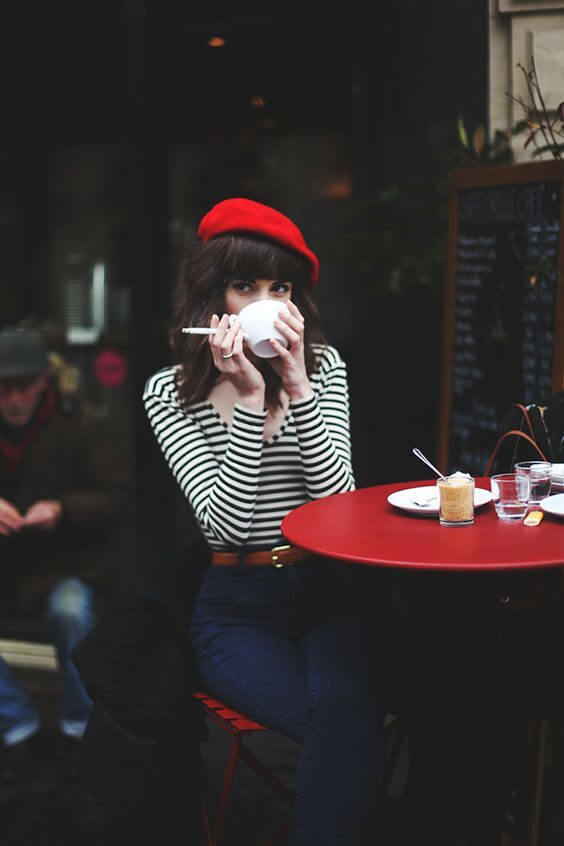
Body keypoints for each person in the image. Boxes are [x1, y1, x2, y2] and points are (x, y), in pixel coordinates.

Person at [143, 198, 392, 846]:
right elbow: (223, 526)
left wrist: (296, 384)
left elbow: (337, 501)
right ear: (211, 297)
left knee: (347, 715)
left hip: (326, 592)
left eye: (279, 287)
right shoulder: (171, 391)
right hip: (236, 605)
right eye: (243, 286)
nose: (265, 301)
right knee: (349, 728)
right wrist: (251, 401)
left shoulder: (323, 367)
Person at [0, 327, 127, 788]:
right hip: (8, 568)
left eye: (23, 385)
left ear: (43, 382)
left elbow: (116, 497)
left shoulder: (82, 423)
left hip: (68, 564)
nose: (13, 397)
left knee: (71, 610)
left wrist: (62, 509)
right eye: (3, 387)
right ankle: (19, 725)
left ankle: (78, 729)